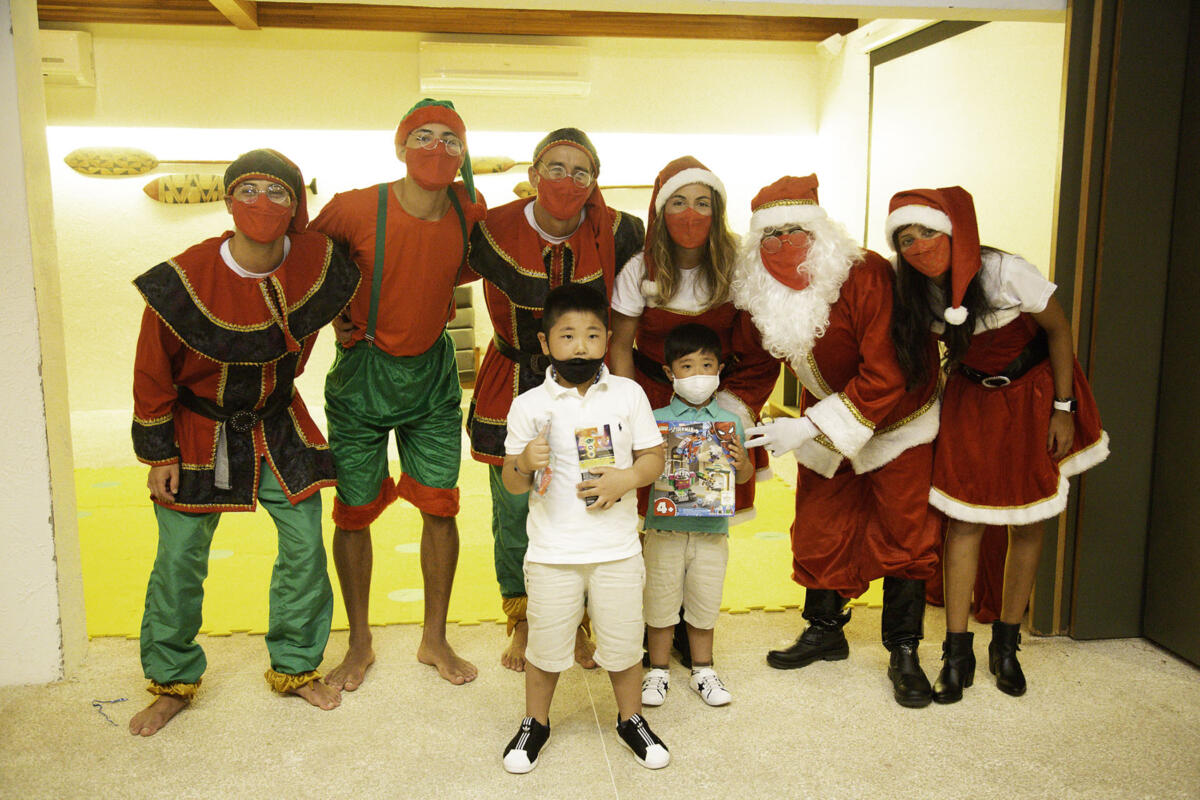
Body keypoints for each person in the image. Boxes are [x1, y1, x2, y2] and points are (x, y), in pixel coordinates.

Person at [128, 149, 360, 736]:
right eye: (249, 190)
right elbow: (152, 371)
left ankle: (296, 666)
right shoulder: (183, 279)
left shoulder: (312, 265)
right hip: (197, 430)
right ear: (229, 201)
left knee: (305, 544)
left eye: (277, 192)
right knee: (180, 557)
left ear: (295, 204)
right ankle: (171, 680)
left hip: (278, 424)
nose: (262, 202)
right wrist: (159, 454)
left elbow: (325, 316)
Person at [884, 186, 1109, 701]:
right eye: (906, 239)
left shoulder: (1006, 271)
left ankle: (1006, 648)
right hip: (969, 397)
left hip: (1031, 395)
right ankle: (956, 653)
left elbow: (1059, 331)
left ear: (953, 232)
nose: (918, 246)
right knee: (963, 520)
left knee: (1027, 520)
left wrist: (1064, 407)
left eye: (927, 232)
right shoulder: (914, 288)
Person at [732, 175, 943, 708]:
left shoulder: (865, 274)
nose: (783, 244)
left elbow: (887, 373)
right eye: (770, 234)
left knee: (904, 532)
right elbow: (753, 362)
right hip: (827, 412)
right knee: (819, 523)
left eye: (795, 230)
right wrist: (731, 412)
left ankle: (904, 649)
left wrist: (806, 427)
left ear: (821, 230)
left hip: (899, 417)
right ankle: (825, 630)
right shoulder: (759, 288)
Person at [310, 99, 487, 688]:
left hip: (433, 377)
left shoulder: (469, 209)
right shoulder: (352, 208)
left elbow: (459, 269)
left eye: (450, 140)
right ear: (400, 146)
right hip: (362, 379)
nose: (437, 149)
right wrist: (336, 314)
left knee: (441, 505)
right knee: (354, 511)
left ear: (463, 154)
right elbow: (308, 265)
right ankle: (359, 641)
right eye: (424, 136)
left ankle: (434, 638)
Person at [466, 128, 644, 672]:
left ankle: (580, 621)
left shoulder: (620, 231)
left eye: (580, 171)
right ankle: (524, 619)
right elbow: (421, 270)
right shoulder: (490, 228)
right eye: (555, 168)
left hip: (591, 385)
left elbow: (638, 301)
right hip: (512, 380)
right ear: (533, 174)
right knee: (513, 508)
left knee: (587, 497)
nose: (568, 180)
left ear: (595, 181)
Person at [500, 284, 668, 773]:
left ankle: (631, 719)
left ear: (607, 340)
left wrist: (627, 478)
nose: (580, 346)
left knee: (624, 643)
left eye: (593, 336)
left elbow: (653, 457)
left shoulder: (628, 393)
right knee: (545, 647)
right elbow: (512, 483)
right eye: (568, 335)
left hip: (617, 550)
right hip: (552, 552)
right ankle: (535, 723)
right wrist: (524, 461)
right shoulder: (528, 404)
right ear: (545, 341)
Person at [639, 323, 754, 709]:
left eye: (707, 365)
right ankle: (657, 670)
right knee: (659, 603)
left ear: (719, 369)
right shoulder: (655, 420)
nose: (699, 374)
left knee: (705, 602)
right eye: (687, 366)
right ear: (670, 372)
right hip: (664, 531)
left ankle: (702, 669)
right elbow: (642, 472)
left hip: (711, 532)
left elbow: (744, 474)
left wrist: (742, 462)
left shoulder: (730, 423)